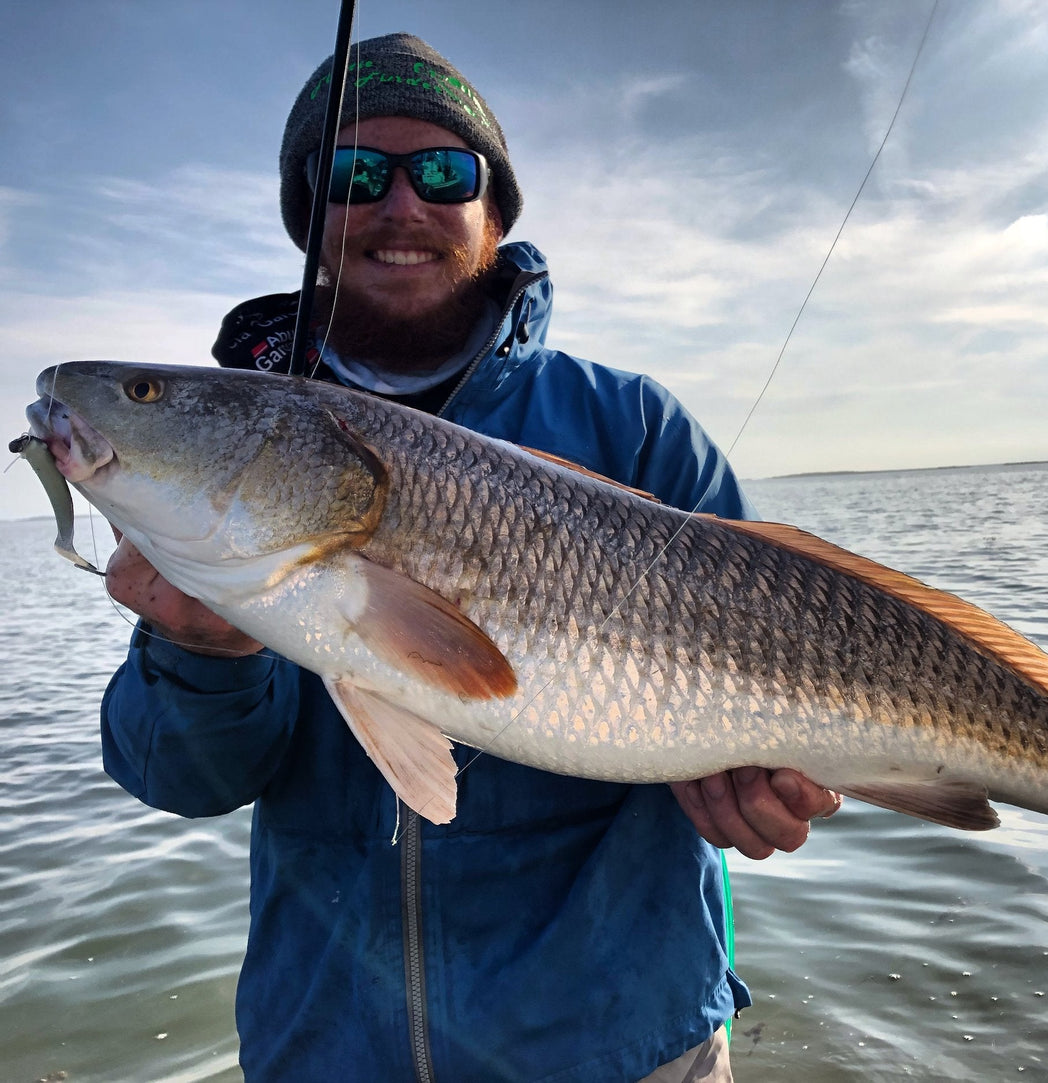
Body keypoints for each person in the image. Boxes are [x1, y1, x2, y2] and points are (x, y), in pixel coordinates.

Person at [101, 32, 841, 1083]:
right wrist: (202, 655)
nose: (400, 206)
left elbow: (789, 652)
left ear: (493, 212)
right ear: (306, 218)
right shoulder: (233, 466)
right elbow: (180, 779)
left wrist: (758, 792)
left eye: (445, 173)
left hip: (623, 1048)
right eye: (351, 174)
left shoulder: (630, 424)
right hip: (323, 1049)